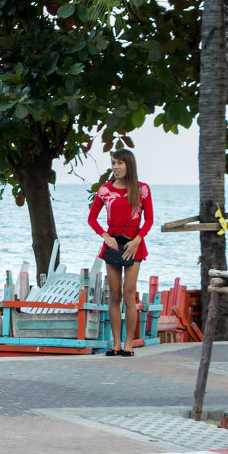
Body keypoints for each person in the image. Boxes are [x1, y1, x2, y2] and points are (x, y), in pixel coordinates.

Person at [87, 148, 153, 357]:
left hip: (134, 245)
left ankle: (128, 344)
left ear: (128, 165)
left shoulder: (142, 189)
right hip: (113, 246)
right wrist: (105, 236)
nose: (115, 167)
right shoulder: (105, 190)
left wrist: (137, 240)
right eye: (113, 163)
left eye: (119, 163)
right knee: (114, 295)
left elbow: (149, 219)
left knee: (128, 294)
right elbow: (92, 218)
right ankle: (115, 344)